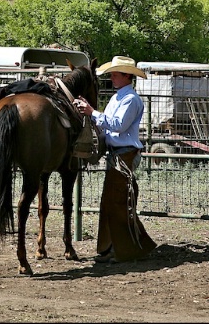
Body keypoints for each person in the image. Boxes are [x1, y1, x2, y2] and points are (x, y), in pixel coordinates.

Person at [73, 56, 157, 263]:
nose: (112, 77)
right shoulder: (119, 97)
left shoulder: (130, 99)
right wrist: (91, 114)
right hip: (119, 154)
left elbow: (117, 125)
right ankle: (121, 247)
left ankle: (124, 250)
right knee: (115, 201)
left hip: (124, 154)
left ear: (127, 76)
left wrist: (92, 112)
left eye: (115, 74)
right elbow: (108, 124)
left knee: (118, 201)